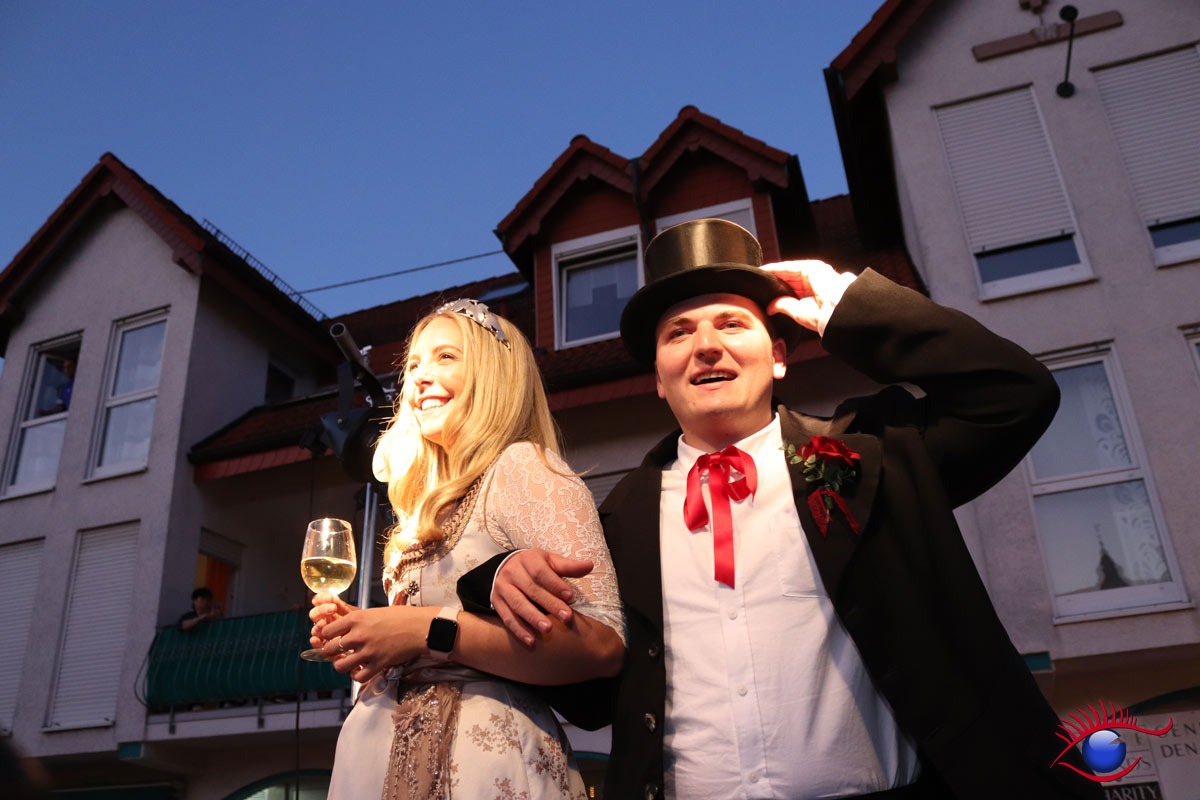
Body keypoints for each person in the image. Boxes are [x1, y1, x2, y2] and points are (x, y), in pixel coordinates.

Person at [459, 219, 1102, 799]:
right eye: (679, 332)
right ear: (657, 377)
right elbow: (589, 698)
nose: (705, 346)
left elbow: (1016, 395)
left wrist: (852, 309)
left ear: (778, 357)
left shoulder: (875, 457)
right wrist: (494, 579)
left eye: (731, 324)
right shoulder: (614, 523)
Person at [309, 298, 625, 799]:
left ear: (494, 375)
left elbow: (603, 646)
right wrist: (370, 638)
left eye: (445, 357)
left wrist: (421, 629)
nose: (420, 377)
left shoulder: (521, 467)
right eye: (414, 365)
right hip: (380, 754)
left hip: (484, 763)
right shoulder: (420, 510)